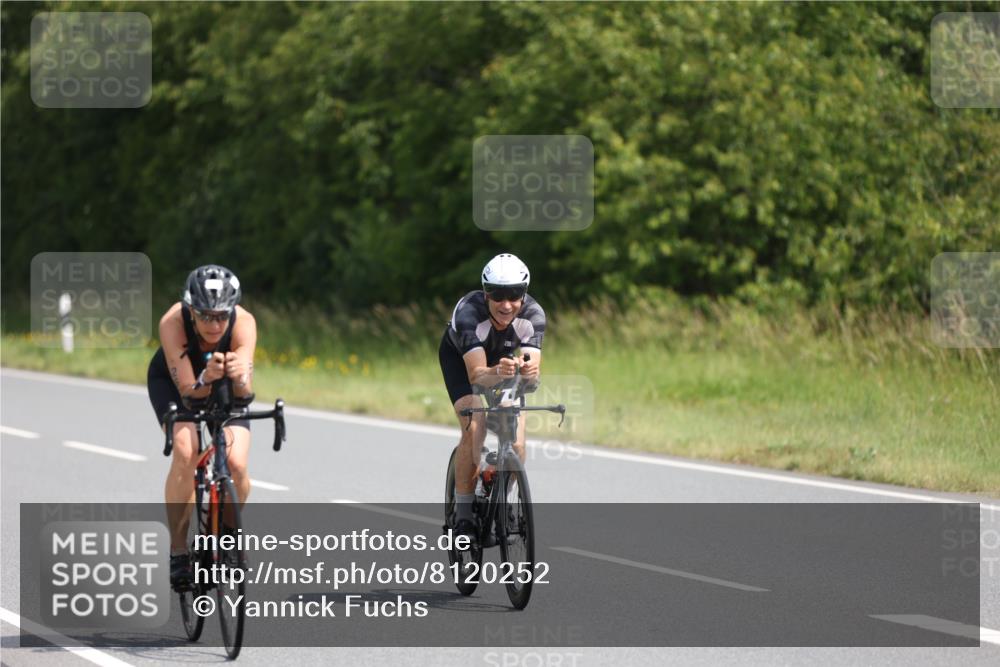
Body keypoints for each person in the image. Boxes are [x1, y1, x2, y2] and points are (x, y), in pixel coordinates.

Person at [146, 264, 257, 588]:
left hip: (224, 385)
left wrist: (239, 377)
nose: (215, 324)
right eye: (205, 316)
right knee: (186, 450)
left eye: (222, 316)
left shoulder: (244, 323)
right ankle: (179, 552)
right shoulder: (172, 322)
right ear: (191, 310)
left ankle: (227, 537)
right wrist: (205, 378)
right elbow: (188, 393)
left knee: (236, 463)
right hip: (175, 384)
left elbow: (245, 394)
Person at [439, 253, 545, 539]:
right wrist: (499, 370)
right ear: (486, 293)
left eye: (514, 295)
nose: (506, 304)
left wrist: (528, 371)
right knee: (476, 426)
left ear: (524, 294)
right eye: (497, 295)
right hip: (463, 363)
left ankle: (499, 492)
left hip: (503, 365)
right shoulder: (468, 313)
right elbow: (477, 376)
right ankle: (463, 515)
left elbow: (531, 372)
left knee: (517, 441)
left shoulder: (533, 315)